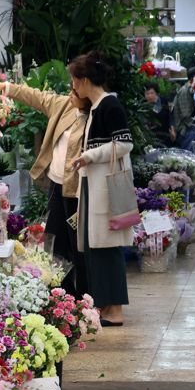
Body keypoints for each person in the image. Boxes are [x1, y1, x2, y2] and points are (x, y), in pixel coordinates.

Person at [0, 79, 91, 298]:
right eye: (70, 87)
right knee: (54, 243)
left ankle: (85, 298)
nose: (70, 93)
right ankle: (62, 295)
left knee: (79, 247)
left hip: (79, 190)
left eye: (75, 90)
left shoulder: (96, 117)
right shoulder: (64, 105)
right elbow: (37, 97)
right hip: (57, 184)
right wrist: (8, 88)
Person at [67, 51, 133, 327]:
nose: (73, 85)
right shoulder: (96, 108)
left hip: (106, 187)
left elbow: (126, 143)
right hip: (94, 185)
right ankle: (107, 306)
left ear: (82, 80)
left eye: (74, 80)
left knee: (107, 246)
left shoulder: (109, 105)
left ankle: (115, 309)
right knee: (97, 246)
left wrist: (89, 157)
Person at [172, 67, 195, 151]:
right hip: (184, 130)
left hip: (188, 127)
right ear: (192, 80)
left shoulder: (191, 90)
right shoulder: (184, 91)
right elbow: (186, 116)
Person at [144, 81, 174, 147]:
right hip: (152, 136)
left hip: (165, 134)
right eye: (147, 93)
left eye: (152, 93)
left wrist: (172, 129)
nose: (150, 96)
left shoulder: (163, 101)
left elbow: (169, 115)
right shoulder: (143, 105)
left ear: (156, 93)